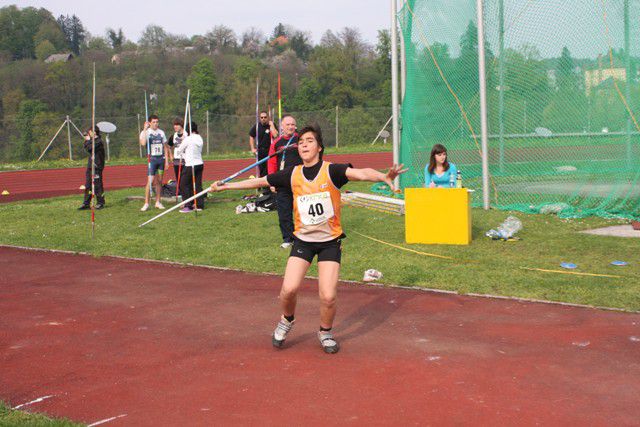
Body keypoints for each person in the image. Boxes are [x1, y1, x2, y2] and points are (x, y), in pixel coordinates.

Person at [209, 124, 407, 354]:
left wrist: (383, 176)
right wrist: (226, 186)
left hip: (329, 243)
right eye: (301, 141)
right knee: (289, 290)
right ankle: (287, 320)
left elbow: (361, 173)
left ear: (320, 147)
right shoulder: (292, 173)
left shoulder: (332, 171)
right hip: (303, 241)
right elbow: (260, 181)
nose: (304, 144)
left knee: (328, 295)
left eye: (310, 140)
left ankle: (325, 332)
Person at [267, 114, 302, 248]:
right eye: (288, 124)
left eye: (293, 124)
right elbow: (271, 162)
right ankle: (288, 239)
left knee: (302, 210)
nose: (291, 127)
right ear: (282, 126)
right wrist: (272, 181)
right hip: (282, 182)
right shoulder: (276, 143)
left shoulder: (300, 139)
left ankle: (303, 237)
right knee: (284, 212)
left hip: (299, 181)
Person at [139, 114, 169, 211]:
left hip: (161, 160)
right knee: (150, 181)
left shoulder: (161, 132)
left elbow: (165, 147)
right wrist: (144, 129)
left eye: (157, 122)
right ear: (150, 123)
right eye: (154, 122)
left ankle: (158, 202)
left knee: (159, 181)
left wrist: (167, 161)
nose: (156, 124)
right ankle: (146, 203)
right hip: (152, 160)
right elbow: (143, 143)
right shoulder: (146, 132)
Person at [177, 121, 205, 213]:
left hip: (191, 164)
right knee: (197, 185)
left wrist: (184, 142)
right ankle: (199, 205)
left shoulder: (188, 139)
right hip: (199, 163)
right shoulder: (199, 138)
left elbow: (179, 150)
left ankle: (188, 206)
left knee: (183, 184)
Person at [78, 126, 105, 210]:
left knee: (98, 185)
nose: (88, 134)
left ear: (94, 132)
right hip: (90, 166)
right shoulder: (91, 141)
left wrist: (88, 140)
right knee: (88, 185)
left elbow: (90, 148)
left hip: (97, 166)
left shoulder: (99, 141)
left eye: (89, 132)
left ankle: (100, 202)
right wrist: (88, 140)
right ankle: (86, 203)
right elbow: (86, 147)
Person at [249, 111, 278, 178]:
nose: (263, 119)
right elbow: (251, 136)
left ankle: (268, 185)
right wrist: (252, 148)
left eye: (265, 117)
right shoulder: (257, 126)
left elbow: (276, 135)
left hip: (270, 150)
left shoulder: (271, 125)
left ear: (268, 118)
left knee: (269, 169)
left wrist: (272, 126)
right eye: (261, 117)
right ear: (259, 118)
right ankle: (263, 186)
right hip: (260, 151)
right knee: (262, 169)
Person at [167, 117, 186, 194]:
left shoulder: (187, 134)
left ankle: (188, 196)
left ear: (181, 125)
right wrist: (171, 156)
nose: (175, 126)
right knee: (179, 180)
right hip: (177, 161)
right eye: (174, 125)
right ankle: (182, 195)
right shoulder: (173, 136)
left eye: (177, 125)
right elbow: (168, 146)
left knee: (186, 180)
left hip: (186, 161)